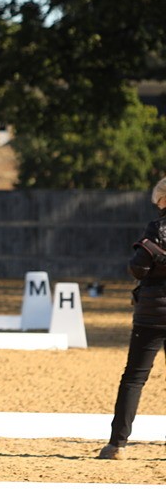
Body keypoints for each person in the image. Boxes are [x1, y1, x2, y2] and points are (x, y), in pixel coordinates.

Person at [99, 177, 166, 459]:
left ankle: (117, 444)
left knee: (134, 378)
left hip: (153, 313)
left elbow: (138, 267)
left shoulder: (157, 228)